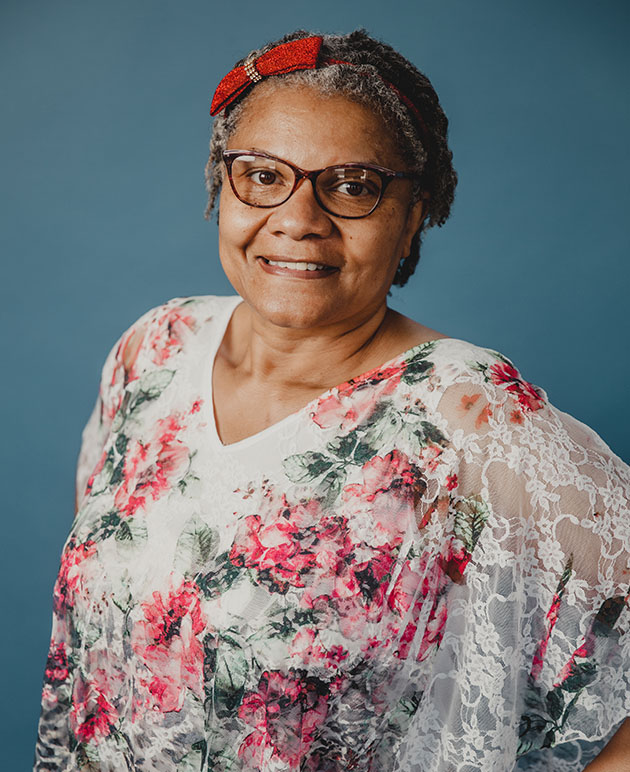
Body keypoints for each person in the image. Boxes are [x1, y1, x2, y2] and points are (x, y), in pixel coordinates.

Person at [34, 29, 629, 772]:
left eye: (352, 185)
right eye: (262, 176)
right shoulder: (155, 348)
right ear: (221, 187)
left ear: (413, 214)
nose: (298, 219)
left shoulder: (469, 416)